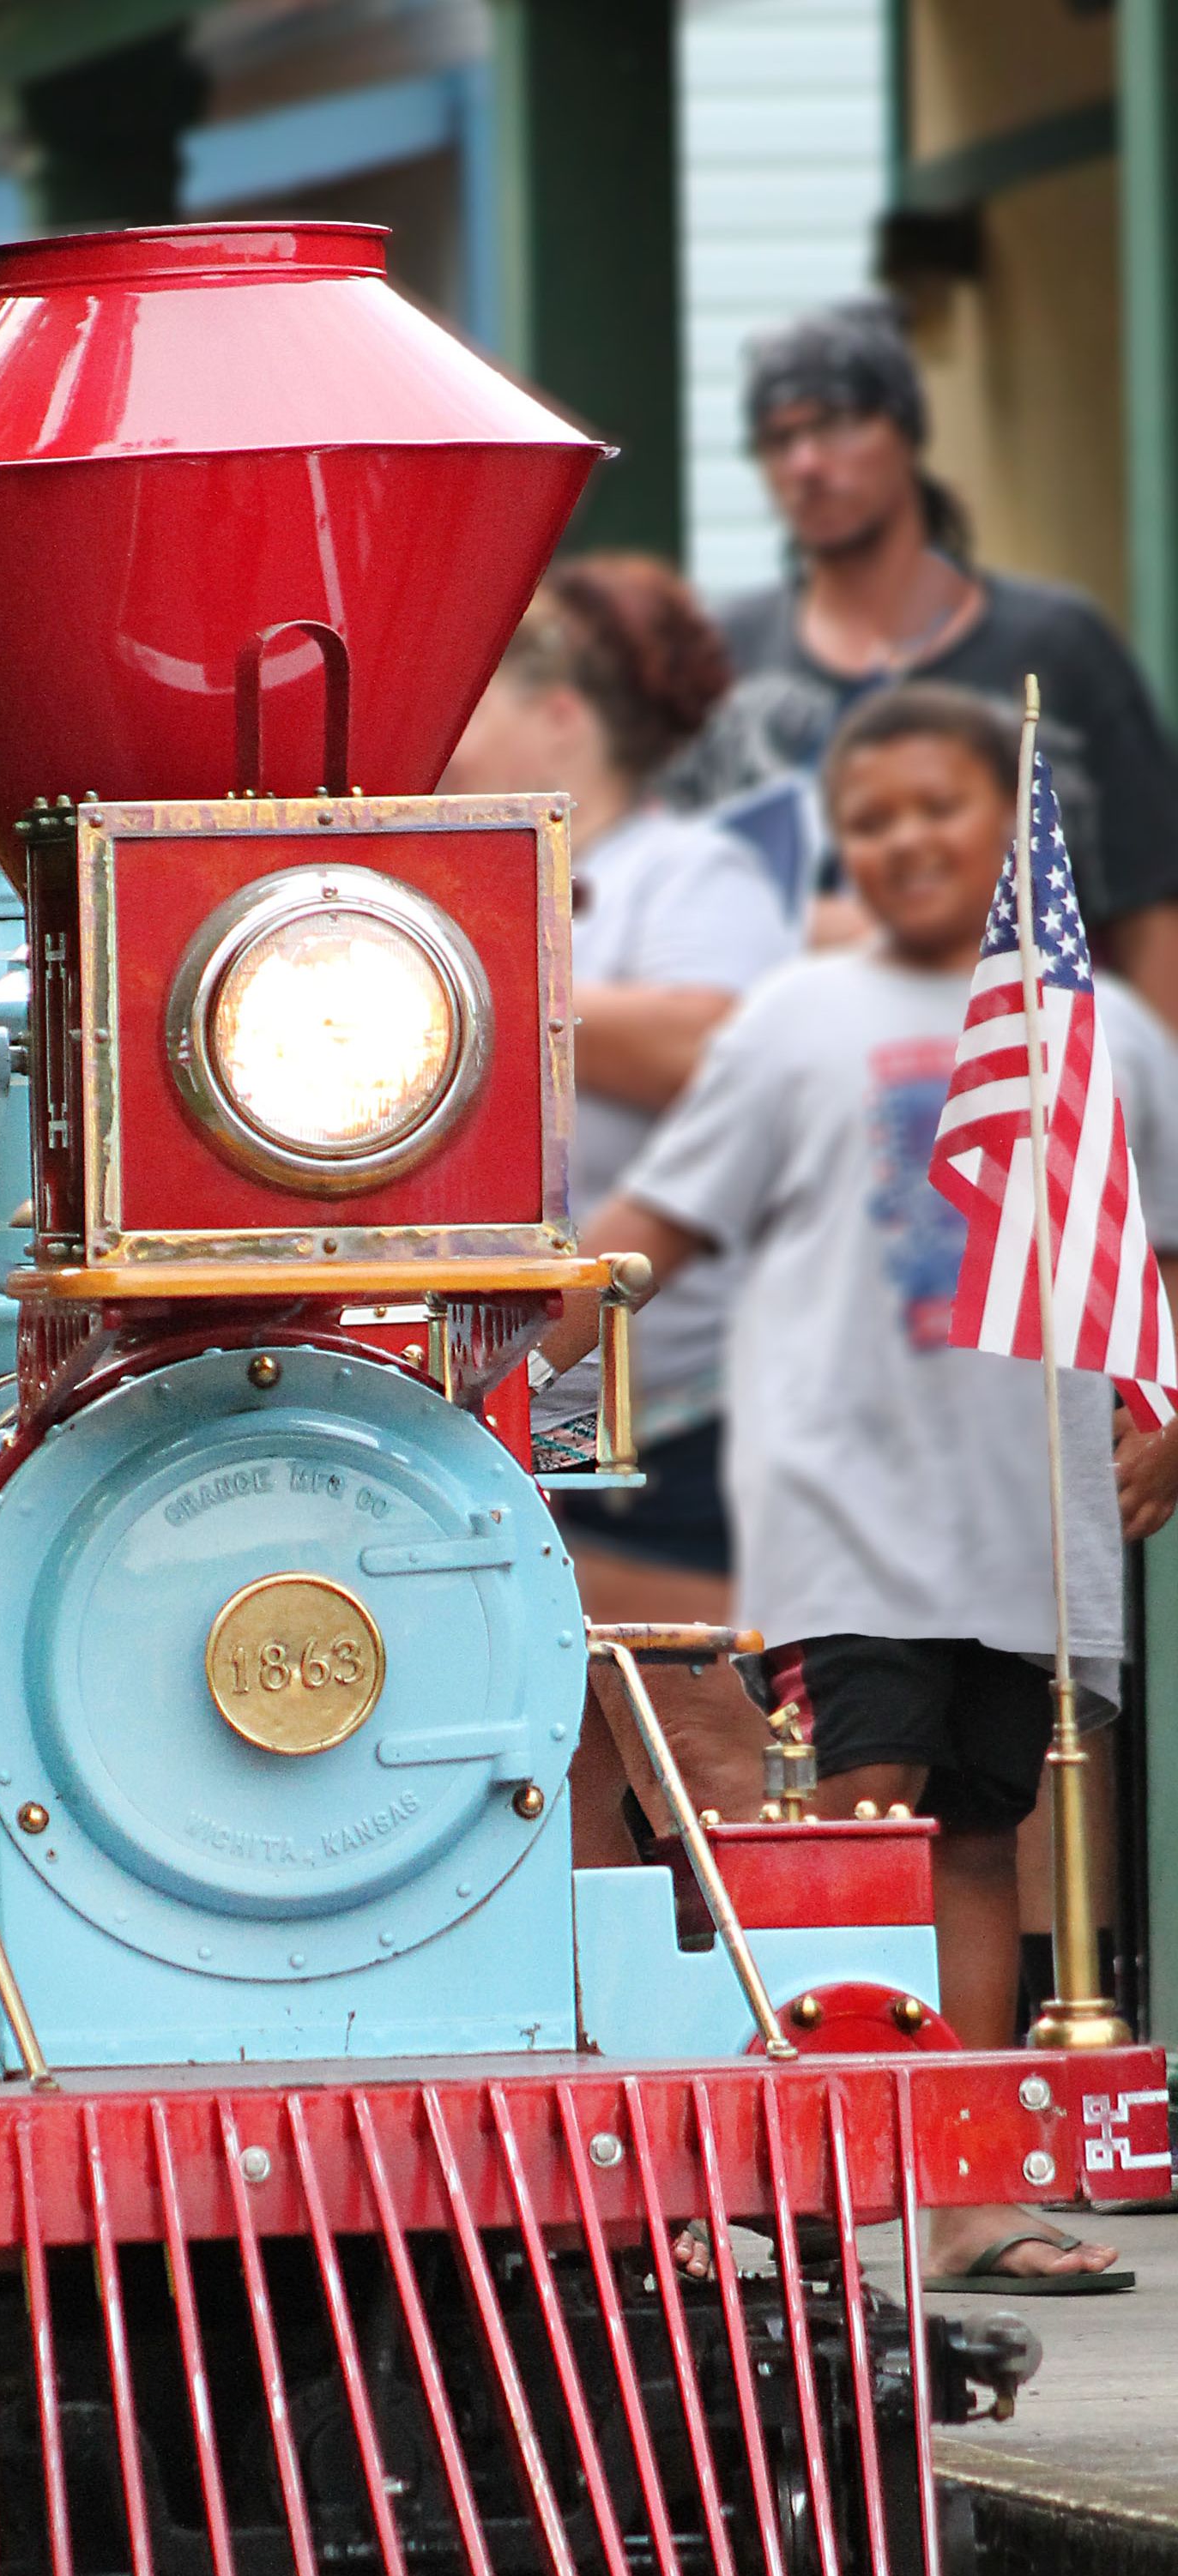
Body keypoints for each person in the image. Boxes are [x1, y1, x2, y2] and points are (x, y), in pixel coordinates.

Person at [545, 682, 1178, 2289]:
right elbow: (650, 1232)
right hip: (842, 1509)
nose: (904, 843)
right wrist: (491, 1347)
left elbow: (1151, 1261)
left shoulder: (1107, 1034)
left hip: (1023, 1508)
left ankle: (959, 2195)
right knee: (850, 1821)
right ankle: (805, 2169)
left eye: (936, 810)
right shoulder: (790, 1026)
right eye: (871, 819)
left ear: (1010, 831)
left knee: (971, 1838)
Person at [448, 558, 796, 1856]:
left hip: (671, 1418)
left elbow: (724, 1049)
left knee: (708, 1750)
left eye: (472, 707)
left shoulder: (683, 876)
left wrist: (478, 992)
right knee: (551, 1765)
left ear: (561, 717)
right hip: (504, 1404)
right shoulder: (452, 892)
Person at [682, 298, 1178, 1021]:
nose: (807, 463)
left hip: (1029, 1073)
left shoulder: (1057, 644)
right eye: (777, 440)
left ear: (907, 431)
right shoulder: (722, 659)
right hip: (803, 1080)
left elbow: (1149, 903)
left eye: (837, 424)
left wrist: (1155, 1096)